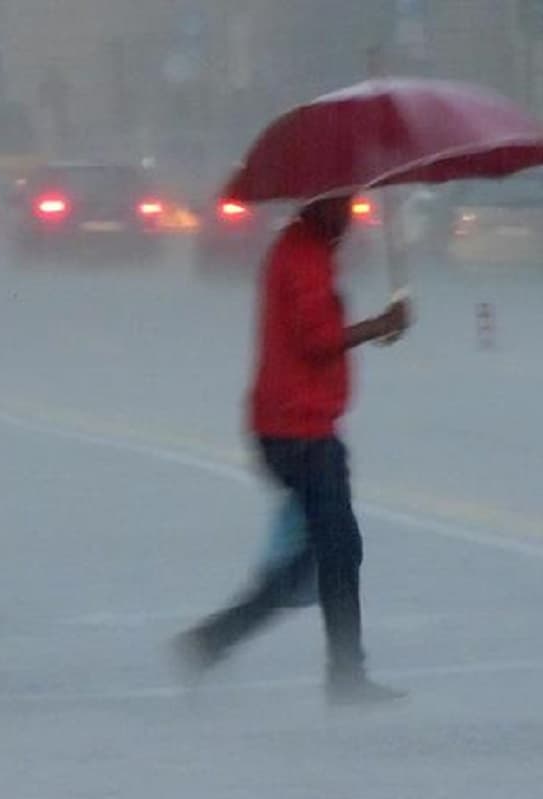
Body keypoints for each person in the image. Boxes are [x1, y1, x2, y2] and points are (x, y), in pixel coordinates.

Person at [175, 195, 410, 706]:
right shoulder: (302, 255)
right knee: (337, 551)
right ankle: (341, 677)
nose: (348, 216)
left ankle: (215, 641)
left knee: (326, 553)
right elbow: (315, 340)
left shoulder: (307, 250)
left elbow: (316, 336)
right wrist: (379, 325)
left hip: (298, 424)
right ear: (320, 204)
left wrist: (379, 329)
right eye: (341, 204)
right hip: (297, 430)